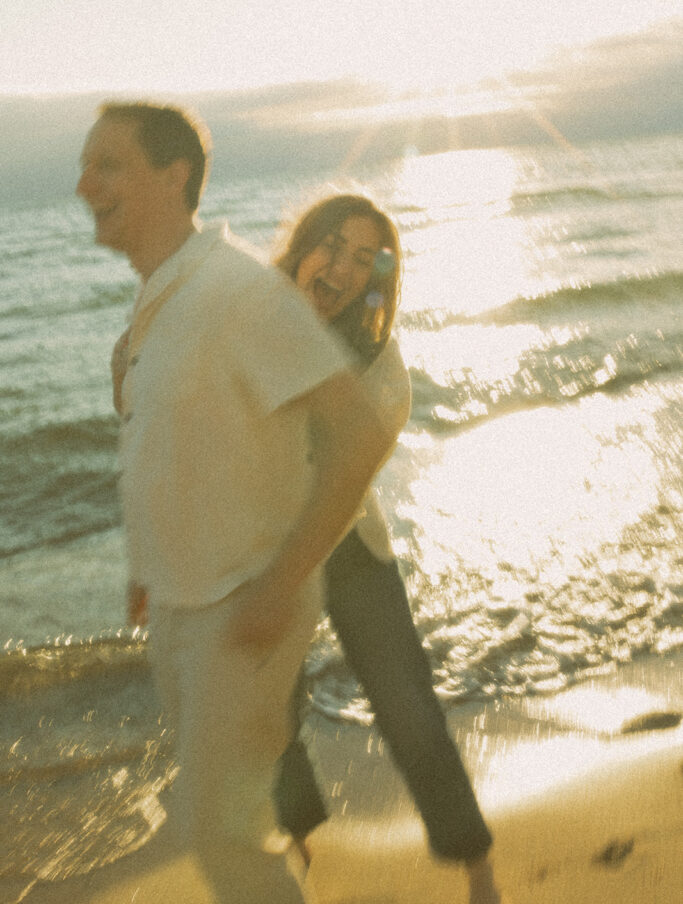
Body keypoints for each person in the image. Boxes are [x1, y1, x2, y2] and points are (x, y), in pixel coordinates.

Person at [77, 103, 392, 904]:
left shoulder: (237, 289)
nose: (85, 185)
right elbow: (176, 448)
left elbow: (357, 435)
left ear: (174, 174)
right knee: (228, 835)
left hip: (241, 612)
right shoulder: (165, 295)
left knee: (220, 840)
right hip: (182, 607)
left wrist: (282, 582)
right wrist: (148, 565)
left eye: (108, 164)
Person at [271, 194, 503, 904]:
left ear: (376, 277)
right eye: (331, 244)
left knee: (407, 707)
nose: (339, 265)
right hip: (260, 550)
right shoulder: (247, 321)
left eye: (362, 257)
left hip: (345, 549)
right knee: (265, 716)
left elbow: (338, 478)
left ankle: (475, 866)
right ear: (302, 245)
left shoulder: (377, 362)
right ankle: (299, 843)